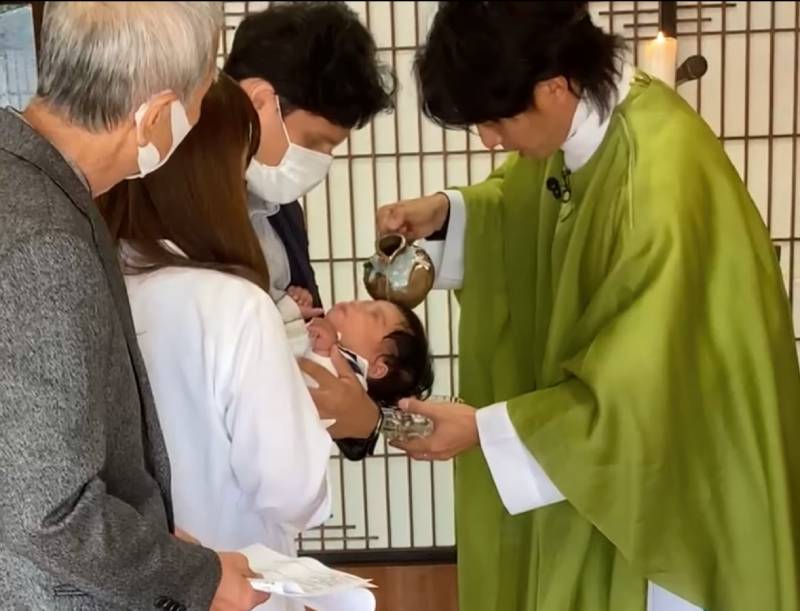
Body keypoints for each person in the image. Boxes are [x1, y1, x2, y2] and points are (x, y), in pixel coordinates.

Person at [376, 3, 800, 611]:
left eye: (496, 120)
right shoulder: (593, 126)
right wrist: (448, 213)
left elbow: (640, 402)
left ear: (554, 85)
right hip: (627, 472)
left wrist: (485, 430)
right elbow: (522, 212)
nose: (490, 140)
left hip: (683, 494)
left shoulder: (656, 189)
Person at [0, 3, 267, 610]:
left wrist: (156, 550)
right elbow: (47, 512)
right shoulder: (45, 242)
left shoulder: (25, 184)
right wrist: (191, 578)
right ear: (153, 116)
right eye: (197, 104)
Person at [99, 74, 334, 611]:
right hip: (234, 586)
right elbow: (292, 491)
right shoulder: (232, 305)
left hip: (125, 584)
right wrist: (315, 416)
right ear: (212, 177)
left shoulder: (95, 279)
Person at [223, 2, 397, 456]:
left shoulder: (283, 210)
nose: (319, 162)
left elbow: (326, 360)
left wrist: (367, 421)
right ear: (260, 101)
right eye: (316, 143)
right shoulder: (162, 200)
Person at [283, 295, 434, 408]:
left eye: (373, 315)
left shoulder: (341, 387)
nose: (358, 303)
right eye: (367, 303)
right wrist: (291, 307)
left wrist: (319, 349)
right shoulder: (314, 328)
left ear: (377, 368)